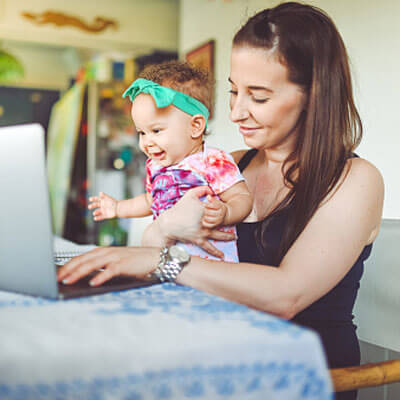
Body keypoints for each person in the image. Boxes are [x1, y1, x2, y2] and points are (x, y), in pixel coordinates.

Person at [58, 3, 384, 398]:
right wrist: (162, 229)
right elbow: (156, 248)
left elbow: (286, 295)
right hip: (218, 361)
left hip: (304, 377)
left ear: (314, 94)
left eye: (258, 96)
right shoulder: (225, 166)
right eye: (233, 91)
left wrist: (163, 260)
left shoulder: (355, 179)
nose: (235, 112)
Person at [88, 61, 253, 262]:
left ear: (195, 126)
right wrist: (118, 208)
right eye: (142, 132)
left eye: (156, 131)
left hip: (212, 264)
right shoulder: (156, 167)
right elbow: (150, 201)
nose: (147, 142)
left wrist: (226, 212)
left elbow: (242, 197)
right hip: (169, 261)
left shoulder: (212, 161)